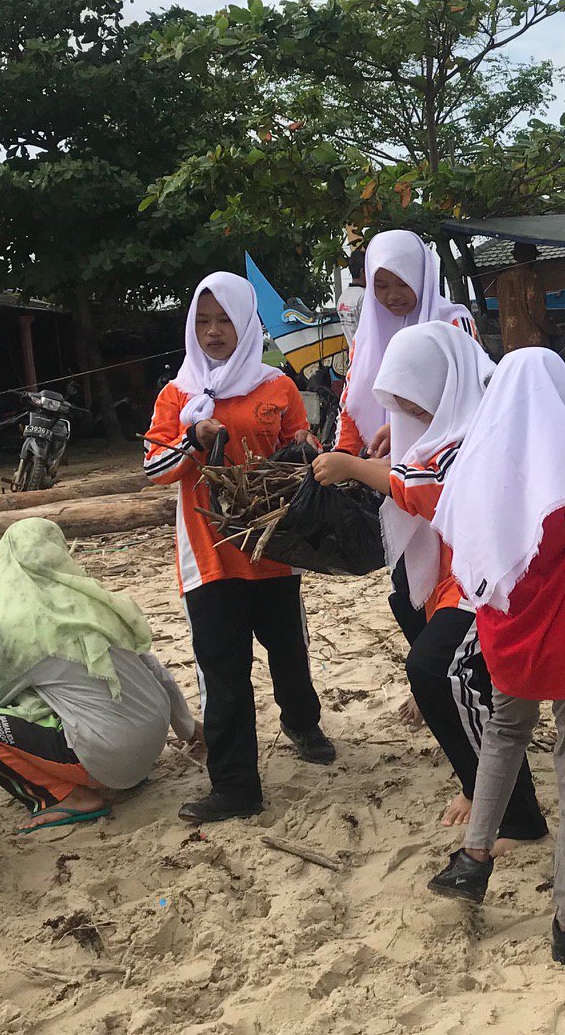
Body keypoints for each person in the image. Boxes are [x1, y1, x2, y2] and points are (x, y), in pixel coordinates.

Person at [311, 323, 548, 882]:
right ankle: (482, 788)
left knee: (438, 670)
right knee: (435, 658)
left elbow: (430, 490)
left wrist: (353, 468)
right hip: (458, 576)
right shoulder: (452, 419)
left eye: (416, 399)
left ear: (447, 383)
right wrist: (397, 436)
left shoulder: (483, 429)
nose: (408, 411)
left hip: (495, 581)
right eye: (399, 402)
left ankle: (514, 813)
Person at [421, 348, 565, 970]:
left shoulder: (474, 464)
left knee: (504, 737)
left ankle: (472, 859)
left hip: (503, 636)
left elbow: (461, 554)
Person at [144, 271, 334, 824]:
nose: (212, 331)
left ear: (246, 322)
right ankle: (234, 788)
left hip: (275, 547)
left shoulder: (275, 385)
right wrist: (192, 439)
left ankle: (302, 722)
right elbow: (155, 470)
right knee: (222, 672)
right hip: (210, 555)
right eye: (202, 321)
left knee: (289, 652)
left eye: (224, 319)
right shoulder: (178, 395)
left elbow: (302, 448)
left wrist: (305, 448)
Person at [0, 518, 200, 834]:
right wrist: (189, 728)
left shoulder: (12, 627)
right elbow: (154, 668)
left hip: (113, 758)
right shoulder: (94, 602)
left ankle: (69, 796)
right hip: (151, 747)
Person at [335, 229, 493, 650]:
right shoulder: (369, 334)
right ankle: (435, 667)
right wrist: (345, 452)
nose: (392, 296)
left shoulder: (452, 320)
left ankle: (443, 666)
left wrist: (410, 423)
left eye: (401, 282)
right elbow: (354, 401)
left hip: (446, 472)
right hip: (392, 470)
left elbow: (471, 393)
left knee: (448, 572)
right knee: (407, 582)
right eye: (380, 285)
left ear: (422, 274)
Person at [494, 242, 554, 353]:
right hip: (533, 345)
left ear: (515, 256)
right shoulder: (531, 277)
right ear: (531, 256)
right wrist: (555, 330)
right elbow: (538, 313)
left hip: (510, 344)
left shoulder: (501, 279)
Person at [336, 246, 366, 343]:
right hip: (366, 354)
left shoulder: (343, 298)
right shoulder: (364, 297)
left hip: (353, 353)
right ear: (363, 271)